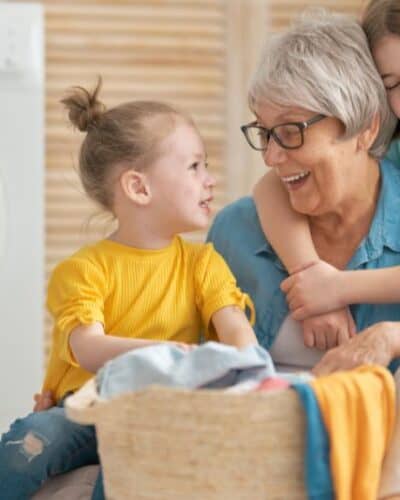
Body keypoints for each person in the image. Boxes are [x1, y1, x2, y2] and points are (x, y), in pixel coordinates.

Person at [0, 80, 258, 499]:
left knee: (132, 476)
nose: (210, 180)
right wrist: (168, 355)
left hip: (159, 416)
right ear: (139, 188)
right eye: (194, 166)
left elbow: (237, 333)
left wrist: (251, 374)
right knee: (28, 442)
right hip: (83, 407)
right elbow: (87, 347)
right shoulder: (83, 269)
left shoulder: (203, 264)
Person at [207, 8, 400, 375]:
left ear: (366, 128)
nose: (270, 156)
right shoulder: (234, 234)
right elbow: (184, 370)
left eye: (291, 130)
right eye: (264, 132)